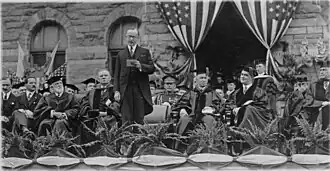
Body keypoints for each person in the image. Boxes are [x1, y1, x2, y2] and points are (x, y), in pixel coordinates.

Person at [113, 28, 155, 125]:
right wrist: (116, 90)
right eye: (129, 37)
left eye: (133, 37)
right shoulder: (121, 54)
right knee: (126, 118)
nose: (131, 39)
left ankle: (139, 139)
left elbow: (152, 68)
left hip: (139, 90)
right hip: (125, 90)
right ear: (126, 38)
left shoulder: (144, 52)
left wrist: (141, 66)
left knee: (139, 118)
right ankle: (126, 139)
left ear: (137, 38)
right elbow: (117, 74)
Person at [173, 70, 220, 137]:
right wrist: (182, 109)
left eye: (205, 78)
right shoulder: (190, 93)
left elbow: (219, 104)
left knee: (209, 119)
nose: (203, 80)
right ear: (196, 80)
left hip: (207, 115)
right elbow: (182, 103)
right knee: (184, 120)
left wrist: (212, 109)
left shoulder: (212, 93)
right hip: (192, 115)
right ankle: (180, 142)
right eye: (201, 78)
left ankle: (209, 143)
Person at [226, 67, 271, 131]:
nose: (242, 77)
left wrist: (241, 109)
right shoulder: (235, 93)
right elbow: (229, 104)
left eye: (246, 75)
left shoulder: (259, 92)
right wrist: (233, 108)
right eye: (242, 74)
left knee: (249, 109)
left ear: (252, 78)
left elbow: (262, 108)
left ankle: (240, 131)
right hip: (236, 120)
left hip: (253, 124)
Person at [308, 61, 330, 130]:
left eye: (324, 70)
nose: (321, 72)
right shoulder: (314, 85)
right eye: (320, 70)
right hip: (317, 115)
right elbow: (308, 99)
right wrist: (322, 103)